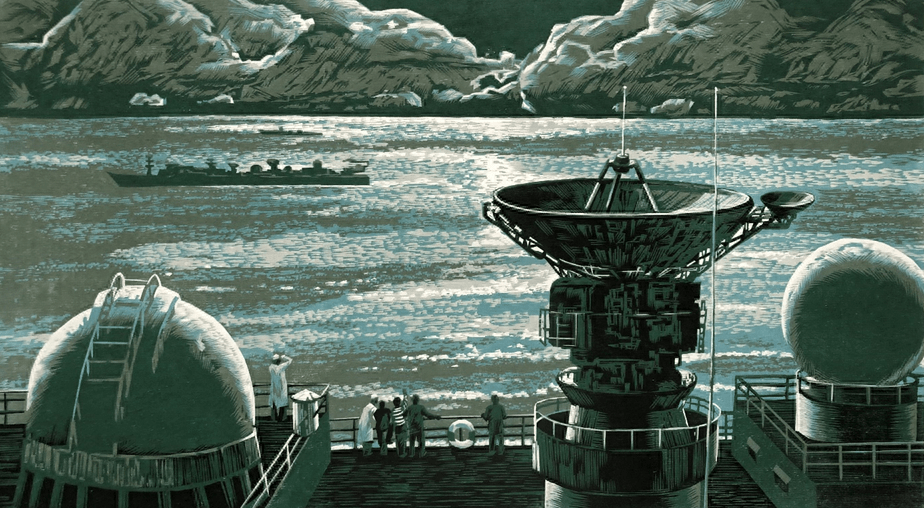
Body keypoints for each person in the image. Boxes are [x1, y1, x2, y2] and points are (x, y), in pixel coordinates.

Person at [405, 394, 440, 458]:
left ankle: (411, 454)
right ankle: (421, 454)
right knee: (421, 441)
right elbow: (428, 415)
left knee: (412, 442)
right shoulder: (421, 407)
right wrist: (436, 416)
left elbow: (403, 415)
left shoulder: (409, 408)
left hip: (412, 426)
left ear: (412, 400)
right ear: (418, 400)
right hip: (419, 426)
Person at [268, 354, 292, 422]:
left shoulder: (271, 367)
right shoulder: (281, 367)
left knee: (274, 403)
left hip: (274, 387)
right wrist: (284, 357)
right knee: (283, 402)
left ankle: (274, 418)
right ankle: (282, 418)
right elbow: (290, 360)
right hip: (282, 387)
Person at [391, 390, 409, 458]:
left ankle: (399, 453)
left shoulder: (392, 411)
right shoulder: (402, 408)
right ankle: (402, 454)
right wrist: (405, 394)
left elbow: (393, 420)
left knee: (398, 441)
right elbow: (405, 402)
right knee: (403, 440)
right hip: (403, 426)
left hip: (396, 427)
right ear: (399, 402)